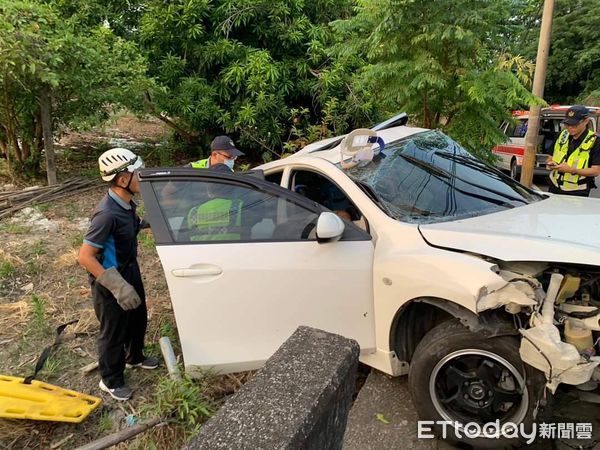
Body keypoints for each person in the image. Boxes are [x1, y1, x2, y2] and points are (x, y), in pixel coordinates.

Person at [77, 148, 158, 401]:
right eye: (138, 173)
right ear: (123, 180)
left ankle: (135, 357)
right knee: (113, 331)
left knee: (138, 317)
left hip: (129, 271)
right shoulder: (106, 215)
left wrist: (151, 222)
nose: (141, 177)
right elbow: (85, 257)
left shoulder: (125, 204)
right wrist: (118, 287)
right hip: (110, 282)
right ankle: (110, 380)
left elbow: (131, 224)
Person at [546, 105, 600, 197]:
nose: (570, 128)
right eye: (567, 124)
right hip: (554, 187)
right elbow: (549, 158)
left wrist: (572, 170)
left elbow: (596, 171)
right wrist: (550, 164)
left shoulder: (595, 141)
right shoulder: (561, 135)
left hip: (577, 192)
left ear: (586, 121)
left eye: (574, 125)